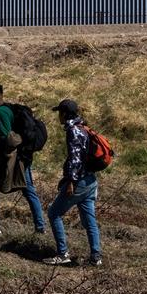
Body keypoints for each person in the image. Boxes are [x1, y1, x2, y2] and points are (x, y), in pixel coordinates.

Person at [0, 84, 46, 236]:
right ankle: (40, 227)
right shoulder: (9, 109)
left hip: (15, 158)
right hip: (24, 155)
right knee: (28, 190)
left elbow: (6, 140)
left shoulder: (1, 112)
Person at [43, 98, 103, 266]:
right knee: (90, 220)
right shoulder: (84, 127)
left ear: (64, 113)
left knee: (54, 213)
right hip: (91, 180)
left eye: (59, 113)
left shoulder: (73, 131)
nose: (58, 117)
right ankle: (96, 257)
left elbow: (75, 159)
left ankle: (62, 254)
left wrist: (70, 181)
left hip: (80, 182)